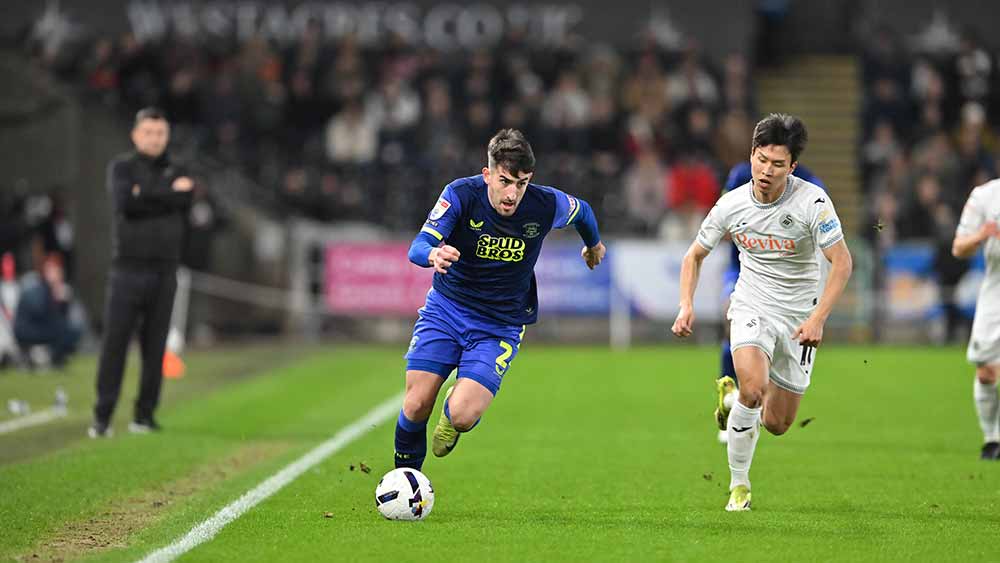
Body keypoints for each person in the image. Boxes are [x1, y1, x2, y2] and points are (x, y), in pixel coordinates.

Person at [393, 129, 606, 471]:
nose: (512, 194)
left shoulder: (545, 203)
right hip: (447, 309)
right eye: (505, 181)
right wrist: (434, 253)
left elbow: (583, 211)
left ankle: (454, 416)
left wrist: (593, 245)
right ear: (487, 174)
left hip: (500, 325)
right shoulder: (461, 194)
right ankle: (406, 481)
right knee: (416, 403)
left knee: (462, 415)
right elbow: (417, 246)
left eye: (520, 184)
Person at [672, 114, 853, 511]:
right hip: (752, 303)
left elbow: (841, 262)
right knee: (754, 388)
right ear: (751, 154)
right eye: (761, 160)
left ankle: (731, 398)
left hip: (800, 317)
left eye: (777, 164)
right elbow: (694, 255)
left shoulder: (813, 201)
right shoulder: (732, 203)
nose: (766, 171)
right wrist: (686, 305)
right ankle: (739, 487)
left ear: (792, 166)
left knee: (777, 424)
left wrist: (818, 318)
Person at [90, 107, 193, 438]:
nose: (154, 139)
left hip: (165, 272)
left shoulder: (179, 168)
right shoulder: (121, 167)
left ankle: (144, 416)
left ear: (167, 136)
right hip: (128, 270)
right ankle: (102, 417)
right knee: (114, 344)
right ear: (135, 135)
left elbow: (183, 201)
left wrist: (145, 196)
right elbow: (125, 204)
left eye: (160, 133)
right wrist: (169, 194)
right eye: (148, 132)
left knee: (155, 346)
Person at [714, 161, 825, 444]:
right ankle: (730, 394)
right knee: (732, 325)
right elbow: (724, 223)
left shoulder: (809, 182)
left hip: (786, 283)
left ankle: (740, 402)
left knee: (776, 411)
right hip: (744, 269)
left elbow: (820, 230)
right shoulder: (741, 174)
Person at [951, 178, 1000, 460]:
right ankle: (992, 439)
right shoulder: (985, 196)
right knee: (986, 372)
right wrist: (982, 235)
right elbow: (958, 248)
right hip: (995, 290)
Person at [13, 253, 82, 368]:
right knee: (62, 330)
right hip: (28, 330)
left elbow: (59, 317)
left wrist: (63, 303)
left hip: (38, 328)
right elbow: (40, 312)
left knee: (69, 330)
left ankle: (48, 356)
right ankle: (44, 357)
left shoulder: (53, 290)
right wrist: (56, 299)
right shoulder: (38, 289)